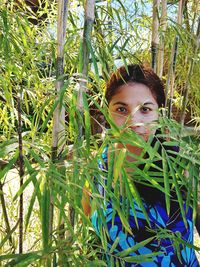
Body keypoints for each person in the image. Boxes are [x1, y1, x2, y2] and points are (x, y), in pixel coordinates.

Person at [82, 64, 199, 266]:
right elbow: (91, 232)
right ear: (107, 111)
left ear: (159, 114)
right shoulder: (97, 167)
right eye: (121, 109)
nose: (133, 121)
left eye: (145, 109)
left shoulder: (180, 164)